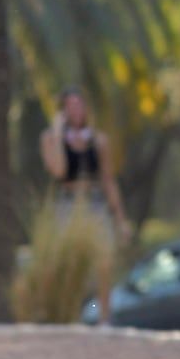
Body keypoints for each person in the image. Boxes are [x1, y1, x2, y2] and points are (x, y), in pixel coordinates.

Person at [39, 88, 132, 323]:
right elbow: (59, 170)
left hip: (94, 202)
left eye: (79, 105)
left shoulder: (98, 141)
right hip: (67, 204)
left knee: (104, 261)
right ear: (62, 111)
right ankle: (68, 317)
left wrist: (120, 219)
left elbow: (108, 180)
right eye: (70, 107)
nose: (76, 111)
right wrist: (59, 132)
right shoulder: (50, 139)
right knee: (67, 263)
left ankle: (104, 319)